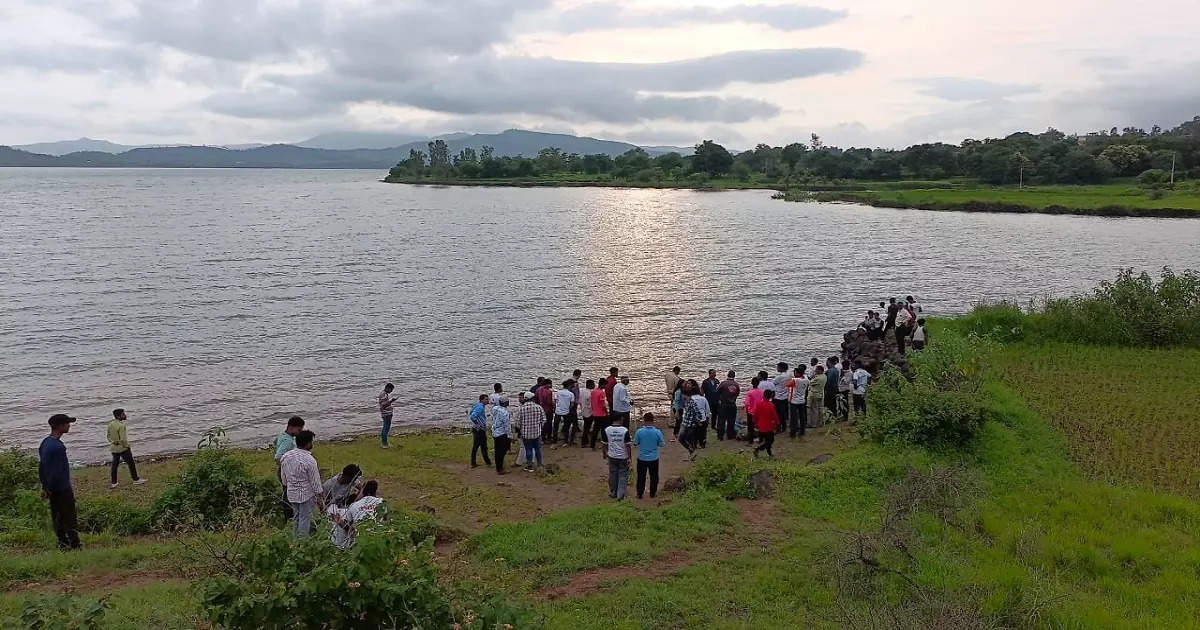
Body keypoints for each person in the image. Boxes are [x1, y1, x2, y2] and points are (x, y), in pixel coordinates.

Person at [40, 414, 80, 550]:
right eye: (67, 423)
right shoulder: (58, 447)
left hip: (52, 489)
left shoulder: (45, 442)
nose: (69, 425)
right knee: (69, 517)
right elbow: (56, 472)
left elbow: (42, 467)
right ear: (60, 426)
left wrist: (45, 488)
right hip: (61, 488)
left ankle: (62, 544)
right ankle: (75, 546)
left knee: (57, 517)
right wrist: (53, 487)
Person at [280, 430, 323, 538]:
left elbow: (284, 479)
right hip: (306, 495)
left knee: (296, 517)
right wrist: (320, 495)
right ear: (308, 443)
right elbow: (315, 482)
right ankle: (302, 543)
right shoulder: (310, 460)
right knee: (305, 519)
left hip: (292, 493)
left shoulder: (286, 456)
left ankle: (295, 541)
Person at [328, 479, 384, 549]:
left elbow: (348, 528)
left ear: (363, 491)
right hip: (379, 540)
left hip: (359, 542)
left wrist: (339, 521)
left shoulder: (354, 505)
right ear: (376, 491)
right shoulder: (383, 503)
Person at [107, 408, 146, 489]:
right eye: (123, 414)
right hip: (123, 448)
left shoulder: (110, 424)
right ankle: (136, 479)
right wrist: (127, 446)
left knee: (115, 465)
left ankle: (114, 482)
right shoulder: (121, 426)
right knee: (131, 463)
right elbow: (123, 439)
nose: (125, 415)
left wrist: (114, 442)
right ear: (118, 416)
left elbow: (108, 437)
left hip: (114, 448)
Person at [633, 412, 665, 499]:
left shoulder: (639, 432)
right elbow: (662, 444)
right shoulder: (657, 432)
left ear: (644, 420)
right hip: (654, 458)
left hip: (642, 458)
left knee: (641, 477)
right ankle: (653, 493)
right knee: (654, 476)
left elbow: (635, 443)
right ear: (653, 420)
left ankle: (640, 494)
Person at [601, 414, 632, 500]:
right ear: (620, 419)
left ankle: (613, 492)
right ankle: (620, 495)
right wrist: (630, 458)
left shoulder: (607, 430)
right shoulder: (624, 430)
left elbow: (604, 444)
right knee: (622, 475)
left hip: (612, 456)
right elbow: (628, 446)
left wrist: (605, 454)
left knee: (613, 474)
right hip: (623, 457)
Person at [515, 391, 546, 471]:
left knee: (528, 449)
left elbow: (517, 423)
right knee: (538, 449)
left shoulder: (521, 409)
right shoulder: (538, 407)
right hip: (537, 433)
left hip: (526, 434)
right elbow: (544, 420)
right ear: (533, 398)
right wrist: (539, 427)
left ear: (525, 399)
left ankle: (530, 466)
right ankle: (540, 465)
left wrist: (521, 429)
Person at [678, 381, 703, 460]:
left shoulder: (692, 402)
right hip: (685, 423)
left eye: (683, 395)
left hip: (690, 425)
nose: (682, 397)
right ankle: (691, 452)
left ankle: (692, 452)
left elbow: (698, 413)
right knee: (682, 438)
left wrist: (697, 421)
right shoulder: (687, 402)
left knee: (685, 439)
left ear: (685, 395)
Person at [753, 390, 780, 458]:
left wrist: (755, 423)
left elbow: (755, 415)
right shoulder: (771, 405)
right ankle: (758, 449)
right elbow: (775, 416)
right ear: (770, 396)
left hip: (760, 426)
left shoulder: (759, 404)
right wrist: (777, 424)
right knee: (770, 441)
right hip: (768, 427)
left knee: (766, 441)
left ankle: (769, 453)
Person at [491, 396, 512, 474]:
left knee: (497, 450)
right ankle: (500, 469)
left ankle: (498, 466)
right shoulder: (505, 412)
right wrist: (510, 436)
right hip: (502, 433)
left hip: (495, 432)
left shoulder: (495, 408)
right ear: (506, 403)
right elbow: (507, 425)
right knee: (502, 451)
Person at [469, 394, 491, 468]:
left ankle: (485, 461)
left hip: (477, 429)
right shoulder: (480, 407)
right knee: (480, 446)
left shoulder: (477, 405)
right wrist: (478, 425)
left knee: (481, 445)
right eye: (486, 399)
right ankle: (478, 462)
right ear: (482, 400)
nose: (488, 401)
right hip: (479, 430)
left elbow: (470, 412)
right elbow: (472, 416)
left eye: (488, 399)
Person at [716, 371, 740, 441]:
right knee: (731, 420)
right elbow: (737, 394)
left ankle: (720, 436)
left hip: (724, 404)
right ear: (734, 376)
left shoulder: (723, 383)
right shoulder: (736, 384)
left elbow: (717, 391)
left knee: (721, 420)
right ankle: (730, 435)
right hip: (732, 404)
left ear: (727, 375)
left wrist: (720, 398)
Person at [687, 379, 711, 448]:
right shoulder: (703, 398)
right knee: (702, 432)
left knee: (694, 433)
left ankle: (694, 444)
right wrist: (707, 417)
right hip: (702, 419)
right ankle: (702, 444)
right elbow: (707, 410)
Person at [589, 378, 610, 449]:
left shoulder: (593, 392)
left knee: (596, 429)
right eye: (605, 385)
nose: (605, 386)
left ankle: (592, 444)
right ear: (603, 384)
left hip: (595, 413)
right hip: (602, 414)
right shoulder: (601, 392)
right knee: (604, 429)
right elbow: (602, 404)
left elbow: (591, 402)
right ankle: (605, 443)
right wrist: (606, 412)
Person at [555, 379, 577, 444]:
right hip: (566, 412)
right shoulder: (571, 394)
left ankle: (554, 440)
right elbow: (572, 404)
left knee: (556, 427)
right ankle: (566, 441)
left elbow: (555, 401)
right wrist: (568, 409)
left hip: (558, 411)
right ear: (569, 386)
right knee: (566, 427)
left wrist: (556, 408)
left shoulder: (558, 392)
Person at [788, 367, 808, 438]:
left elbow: (787, 385)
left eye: (795, 372)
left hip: (794, 401)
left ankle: (793, 432)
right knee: (802, 417)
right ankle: (802, 431)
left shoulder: (795, 380)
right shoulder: (806, 379)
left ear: (798, 373)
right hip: (802, 400)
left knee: (794, 418)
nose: (794, 373)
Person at [772, 363, 790, 434]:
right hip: (785, 396)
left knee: (777, 414)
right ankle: (784, 426)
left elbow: (773, 384)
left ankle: (779, 428)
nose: (777, 368)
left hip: (778, 397)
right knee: (783, 414)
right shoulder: (789, 375)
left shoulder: (779, 377)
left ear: (781, 368)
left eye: (778, 367)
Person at [536, 378, 556, 443]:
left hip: (540, 409)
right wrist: (554, 407)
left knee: (541, 423)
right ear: (548, 384)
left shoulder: (538, 390)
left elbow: (536, 399)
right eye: (551, 384)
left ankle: (542, 437)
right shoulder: (548, 391)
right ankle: (549, 437)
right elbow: (550, 402)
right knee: (549, 423)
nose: (551, 385)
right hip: (548, 409)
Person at [378, 383, 398, 448]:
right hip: (386, 414)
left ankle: (384, 443)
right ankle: (384, 444)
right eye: (391, 389)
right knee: (386, 428)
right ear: (387, 388)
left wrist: (390, 401)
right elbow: (383, 405)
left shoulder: (384, 394)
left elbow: (384, 404)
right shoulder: (383, 394)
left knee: (385, 428)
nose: (391, 391)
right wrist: (391, 401)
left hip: (386, 413)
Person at [744, 376, 763, 443]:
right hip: (760, 411)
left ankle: (750, 441)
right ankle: (761, 439)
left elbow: (746, 403)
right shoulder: (761, 392)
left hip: (751, 412)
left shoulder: (750, 392)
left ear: (752, 383)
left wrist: (746, 410)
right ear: (758, 383)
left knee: (750, 427)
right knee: (760, 426)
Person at [578, 379, 596, 449]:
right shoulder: (590, 394)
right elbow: (591, 404)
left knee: (586, 427)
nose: (594, 385)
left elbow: (579, 401)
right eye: (593, 384)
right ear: (591, 385)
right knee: (587, 428)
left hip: (583, 411)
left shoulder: (582, 391)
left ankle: (586, 441)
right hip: (589, 412)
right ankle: (584, 442)